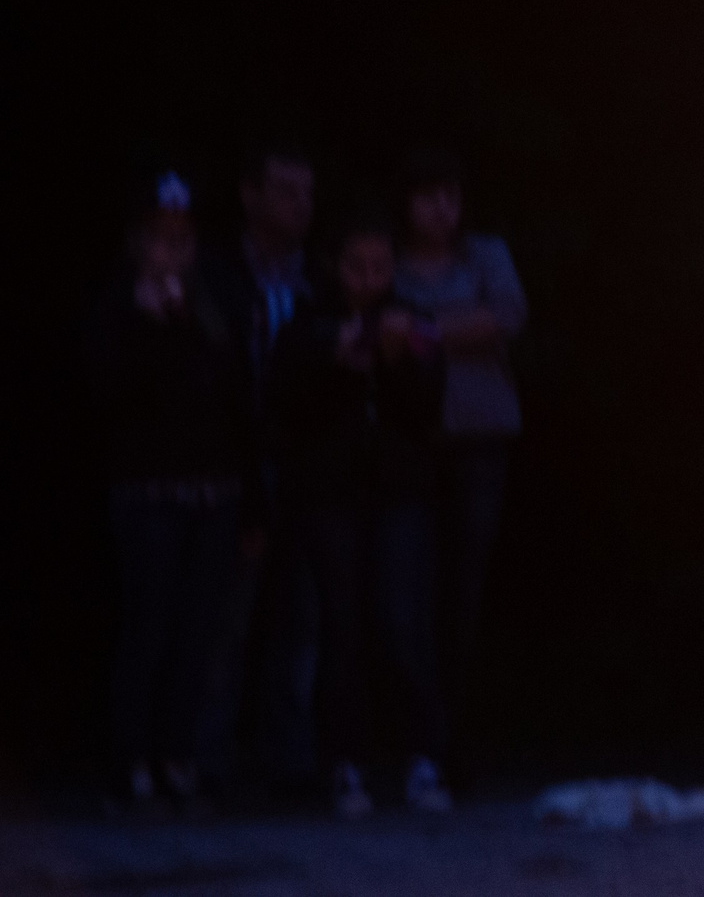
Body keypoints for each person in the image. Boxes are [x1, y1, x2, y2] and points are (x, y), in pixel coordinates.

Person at [85, 172, 258, 813]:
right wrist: (145, 326)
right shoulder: (115, 309)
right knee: (147, 625)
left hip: (214, 494)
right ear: (137, 244)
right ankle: (132, 758)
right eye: (160, 240)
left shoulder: (216, 309)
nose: (172, 253)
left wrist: (251, 500)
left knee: (197, 631)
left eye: (182, 240)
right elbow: (106, 400)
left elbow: (240, 404)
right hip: (145, 495)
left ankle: (177, 756)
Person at [272, 212, 451, 819]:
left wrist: (398, 362)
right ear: (334, 267)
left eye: (380, 266)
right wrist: (334, 362)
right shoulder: (306, 325)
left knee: (403, 623)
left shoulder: (415, 323)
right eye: (357, 266)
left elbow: (429, 411)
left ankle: (422, 759)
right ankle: (344, 766)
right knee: (340, 627)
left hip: (399, 493)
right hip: (331, 495)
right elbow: (285, 404)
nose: (370, 278)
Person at [391, 147, 528, 777]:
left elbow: (506, 317)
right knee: (406, 588)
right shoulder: (385, 260)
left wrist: (417, 330)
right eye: (429, 196)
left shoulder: (486, 254)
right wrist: (457, 325)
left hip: (480, 436)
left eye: (452, 196)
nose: (443, 209)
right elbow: (369, 323)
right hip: (406, 438)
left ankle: (455, 739)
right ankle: (412, 736)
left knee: (464, 591)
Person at [196, 139, 321, 795]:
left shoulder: (320, 280)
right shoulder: (216, 274)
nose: (299, 204)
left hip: (305, 468)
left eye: (306, 191)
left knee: (300, 619)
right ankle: (208, 758)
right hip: (235, 463)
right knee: (228, 616)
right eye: (284, 190)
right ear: (250, 193)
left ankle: (288, 760)